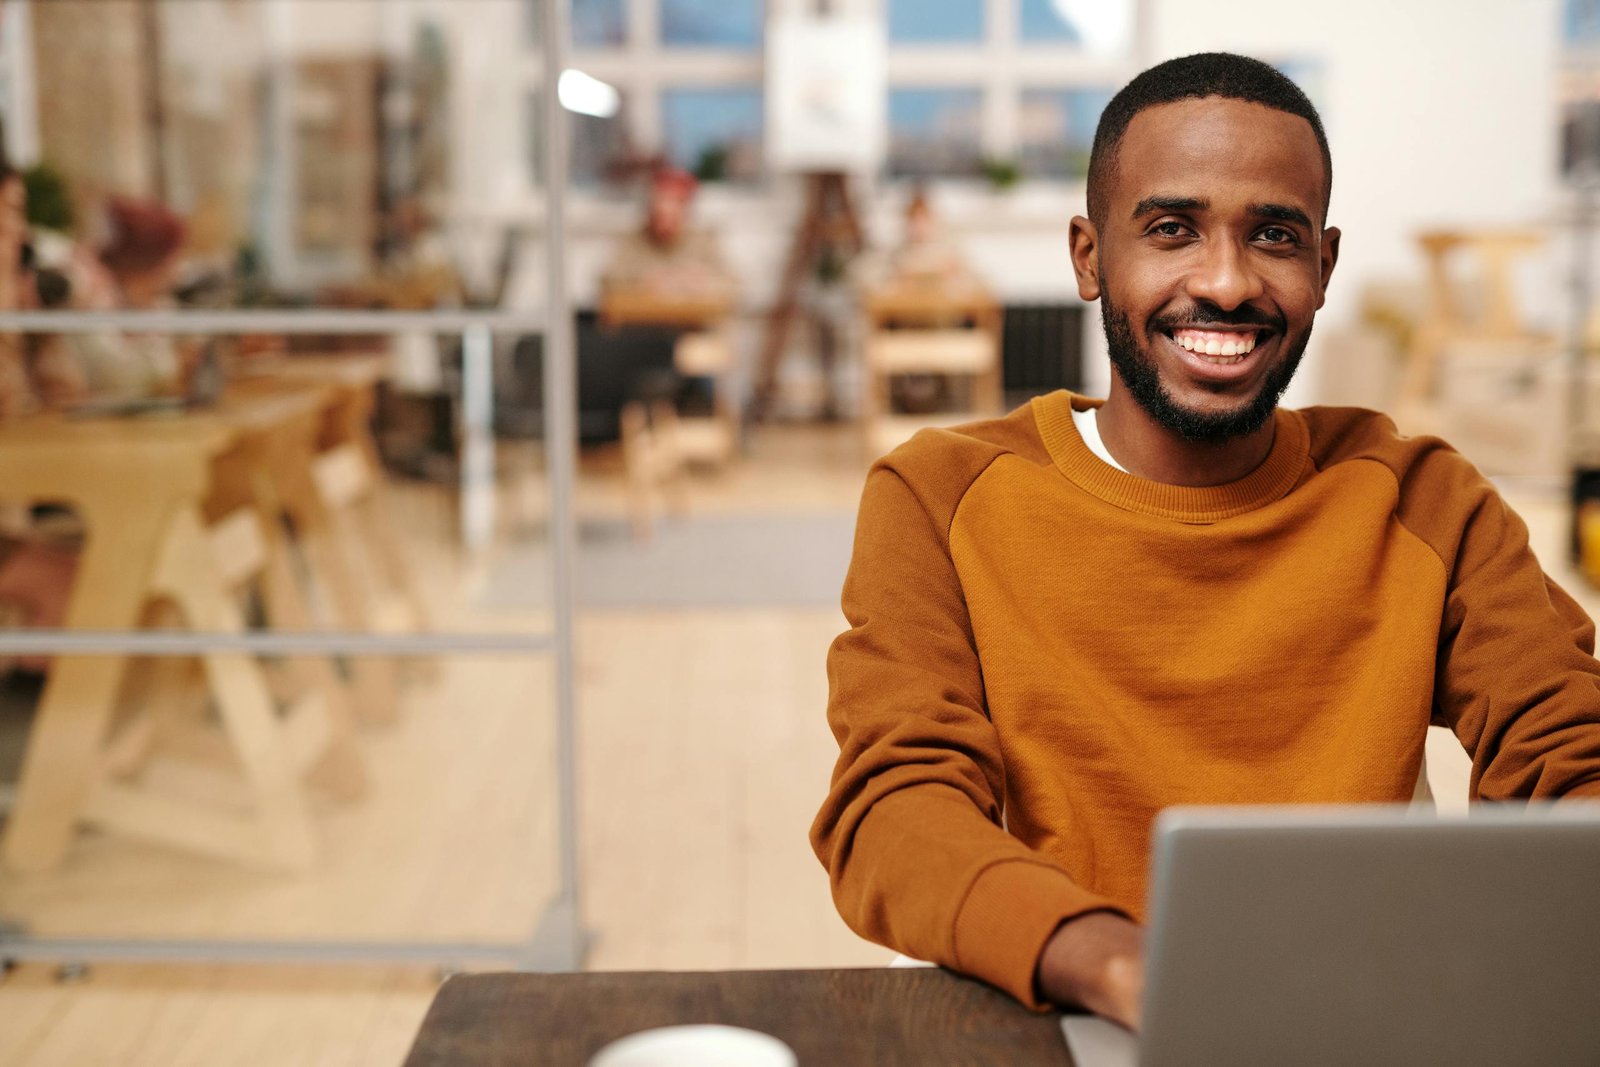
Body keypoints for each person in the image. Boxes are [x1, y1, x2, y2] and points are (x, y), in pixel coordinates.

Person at [810, 52, 1600, 1033]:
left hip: (1370, 1023)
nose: (1226, 282)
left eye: (1274, 234)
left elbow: (1568, 754)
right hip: (1068, 1018)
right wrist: (1124, 966)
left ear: (1323, 264)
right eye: (1171, 229)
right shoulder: (936, 495)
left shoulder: (1424, 500)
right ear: (1090, 256)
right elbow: (894, 809)